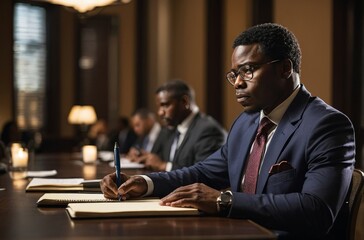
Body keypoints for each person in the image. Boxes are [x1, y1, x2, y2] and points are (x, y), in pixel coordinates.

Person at [100, 23, 355, 239]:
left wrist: (225, 200)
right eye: (234, 74)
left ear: (285, 69)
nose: (239, 82)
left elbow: (317, 210)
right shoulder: (245, 123)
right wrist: (145, 183)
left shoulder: (327, 125)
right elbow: (203, 172)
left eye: (248, 70)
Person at [130, 80, 227, 171]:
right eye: (159, 106)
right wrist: (145, 157)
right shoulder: (174, 127)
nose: (160, 112)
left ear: (185, 102)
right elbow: (166, 160)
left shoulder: (208, 129)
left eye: (165, 105)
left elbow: (205, 173)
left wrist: (164, 166)